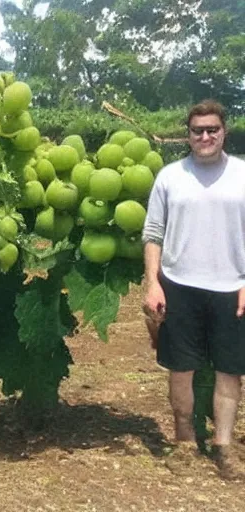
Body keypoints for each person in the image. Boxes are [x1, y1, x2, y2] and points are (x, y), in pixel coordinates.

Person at [142, 99, 245, 480]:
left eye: (212, 130)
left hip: (232, 288)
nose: (204, 136)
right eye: (197, 130)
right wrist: (153, 282)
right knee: (180, 370)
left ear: (224, 133)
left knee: (230, 372)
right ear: (187, 135)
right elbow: (153, 234)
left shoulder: (242, 175)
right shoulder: (170, 176)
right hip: (179, 285)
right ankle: (184, 441)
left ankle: (223, 446)